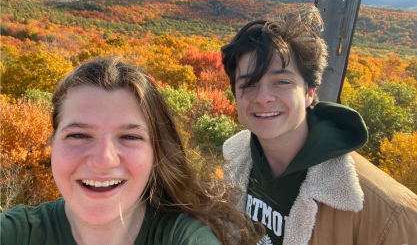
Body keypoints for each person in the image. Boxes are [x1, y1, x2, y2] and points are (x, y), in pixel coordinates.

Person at [1, 57, 262, 245]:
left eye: (129, 136)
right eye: (79, 135)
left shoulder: (185, 238)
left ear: (156, 153)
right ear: (52, 143)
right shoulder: (15, 233)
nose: (103, 160)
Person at [220, 6, 417, 245]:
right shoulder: (234, 164)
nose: (263, 98)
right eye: (248, 84)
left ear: (309, 92)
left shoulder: (387, 213)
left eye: (281, 81)